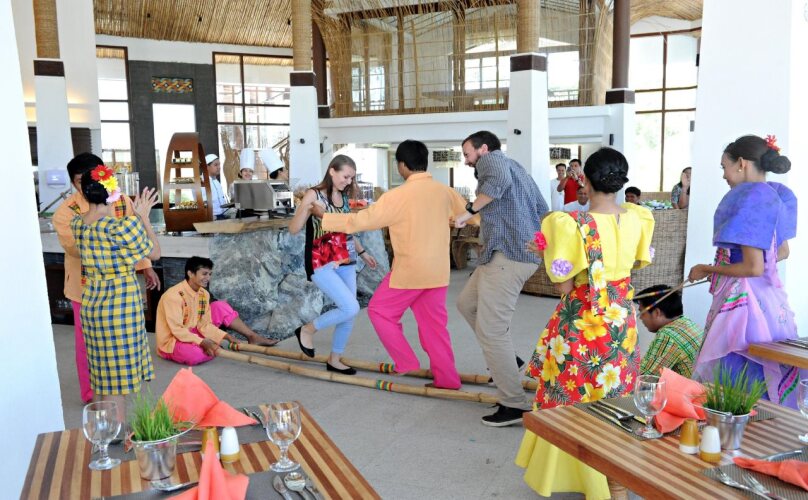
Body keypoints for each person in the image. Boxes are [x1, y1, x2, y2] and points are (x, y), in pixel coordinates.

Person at [516, 147, 654, 498]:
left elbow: (564, 286)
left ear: (585, 182)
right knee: (615, 392)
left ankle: (579, 474)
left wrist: (547, 252)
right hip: (621, 320)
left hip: (584, 321)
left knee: (573, 392)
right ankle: (615, 472)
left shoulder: (574, 225)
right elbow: (636, 263)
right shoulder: (638, 218)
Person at [321, 140, 471, 389]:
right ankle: (447, 379)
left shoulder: (396, 196)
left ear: (401, 165)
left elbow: (361, 221)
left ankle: (407, 362)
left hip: (410, 272)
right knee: (435, 329)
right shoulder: (445, 192)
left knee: (379, 311)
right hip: (438, 272)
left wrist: (325, 217)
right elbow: (473, 215)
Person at [688, 134, 799, 406]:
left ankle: (739, 426)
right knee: (766, 372)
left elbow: (752, 266)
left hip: (745, 304)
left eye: (724, 167)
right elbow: (782, 251)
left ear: (741, 163)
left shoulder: (750, 198)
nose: (724, 175)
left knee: (738, 379)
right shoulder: (775, 194)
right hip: (770, 300)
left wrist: (706, 268)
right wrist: (754, 266)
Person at [453, 130, 549, 427]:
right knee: (467, 304)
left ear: (483, 149)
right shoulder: (516, 167)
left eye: (467, 154)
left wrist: (467, 212)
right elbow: (542, 208)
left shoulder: (492, 161)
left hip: (509, 256)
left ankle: (513, 403)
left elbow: (497, 182)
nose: (467, 161)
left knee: (492, 330)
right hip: (501, 253)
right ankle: (509, 361)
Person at [53, 153, 160, 403]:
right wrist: (115, 235)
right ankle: (90, 395)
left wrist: (146, 267)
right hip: (85, 287)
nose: (86, 183)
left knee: (108, 346)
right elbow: (76, 250)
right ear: (73, 183)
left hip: (104, 288)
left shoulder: (115, 203)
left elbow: (135, 244)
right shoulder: (66, 212)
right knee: (88, 346)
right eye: (80, 180)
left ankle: (106, 399)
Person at [288, 155, 378, 374]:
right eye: (345, 176)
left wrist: (362, 252)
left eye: (351, 178)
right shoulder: (313, 194)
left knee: (349, 312)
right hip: (321, 261)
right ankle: (307, 330)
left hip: (346, 259)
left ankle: (335, 359)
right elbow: (294, 228)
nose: (348, 181)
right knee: (350, 306)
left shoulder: (343, 196)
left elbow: (345, 230)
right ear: (332, 171)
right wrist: (307, 209)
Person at [155, 257, 261, 366]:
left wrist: (227, 337)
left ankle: (212, 346)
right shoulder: (173, 296)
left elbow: (204, 325)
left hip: (194, 332)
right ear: (190, 274)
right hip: (173, 340)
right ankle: (209, 347)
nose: (208, 278)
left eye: (210, 274)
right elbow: (177, 330)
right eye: (204, 274)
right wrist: (203, 342)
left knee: (220, 306)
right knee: (195, 355)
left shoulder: (204, 294)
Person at [635, 285, 705, 378]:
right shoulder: (686, 322)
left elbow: (645, 377)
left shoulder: (668, 336)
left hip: (695, 387)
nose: (640, 317)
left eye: (642, 312)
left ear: (657, 312)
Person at [205, 153, 229, 220]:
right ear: (207, 167)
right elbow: (202, 203)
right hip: (212, 218)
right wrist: (211, 217)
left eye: (219, 164)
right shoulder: (202, 182)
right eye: (215, 165)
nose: (219, 167)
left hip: (222, 216)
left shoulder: (216, 181)